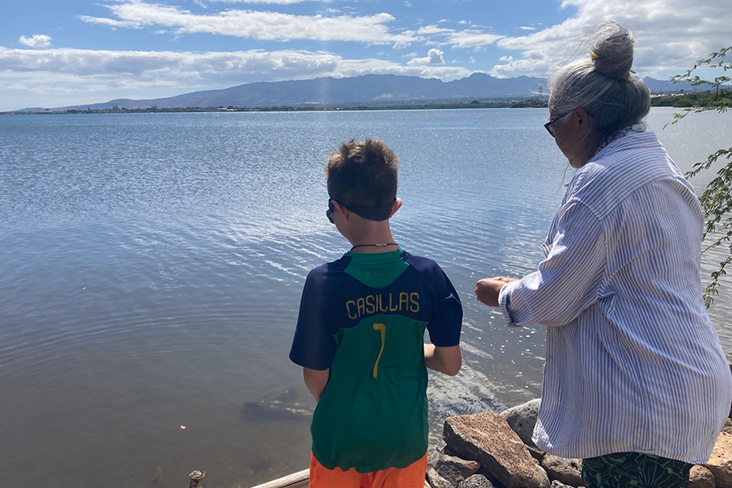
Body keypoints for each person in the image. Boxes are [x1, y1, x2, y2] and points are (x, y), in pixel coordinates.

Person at [475, 22, 732, 488]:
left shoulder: (603, 181)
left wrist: (504, 293)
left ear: (580, 118)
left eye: (552, 123)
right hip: (679, 384)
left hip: (644, 403)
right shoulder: (656, 165)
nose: (552, 135)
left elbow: (554, 299)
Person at [289, 138, 463, 488]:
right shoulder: (429, 276)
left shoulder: (324, 282)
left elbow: (315, 376)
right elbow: (450, 364)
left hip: (341, 439)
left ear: (339, 208)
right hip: (404, 438)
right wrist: (411, 351)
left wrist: (346, 406)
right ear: (395, 206)